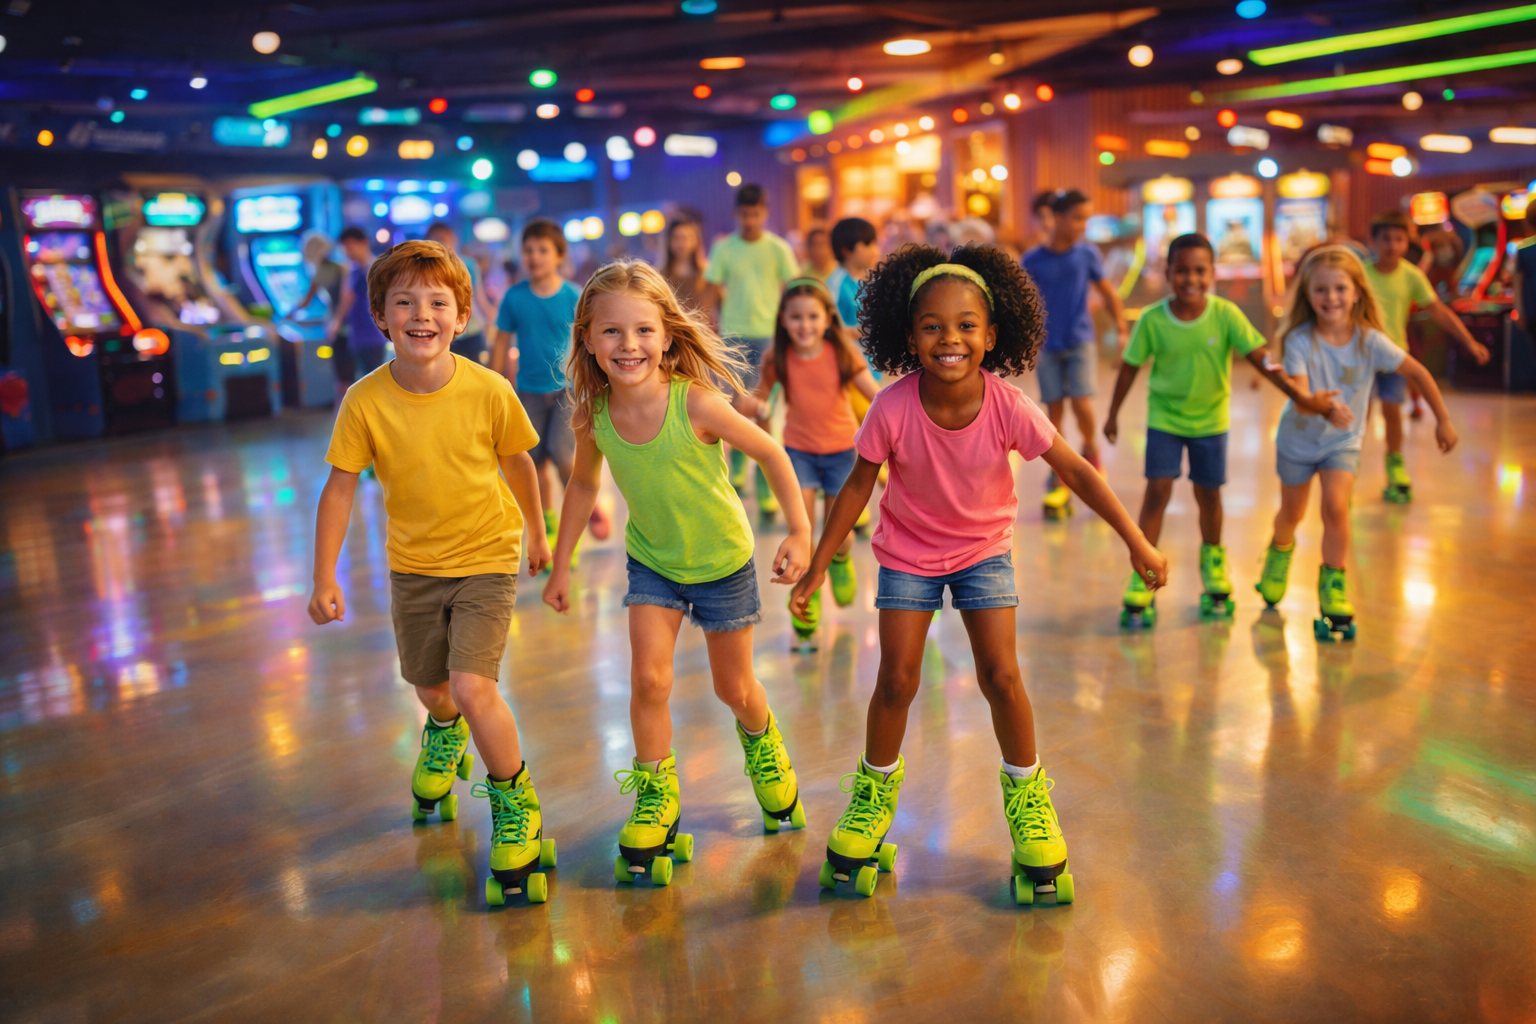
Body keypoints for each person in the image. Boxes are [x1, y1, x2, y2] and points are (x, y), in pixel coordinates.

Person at [790, 244, 1165, 901]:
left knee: (1001, 675)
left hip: (983, 551)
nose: (950, 338)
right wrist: (820, 564)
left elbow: (1075, 469)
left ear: (993, 335)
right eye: (931, 326)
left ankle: (1029, 800)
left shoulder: (1007, 405)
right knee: (897, 678)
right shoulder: (892, 405)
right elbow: (856, 487)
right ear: (908, 337)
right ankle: (873, 797)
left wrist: (1135, 539)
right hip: (907, 553)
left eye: (967, 325)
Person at [542, 260, 813, 884]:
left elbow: (770, 452)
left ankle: (765, 751)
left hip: (721, 562)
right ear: (587, 338)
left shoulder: (697, 402)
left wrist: (800, 530)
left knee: (735, 690)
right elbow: (583, 485)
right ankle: (657, 797)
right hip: (654, 562)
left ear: (667, 336)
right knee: (648, 682)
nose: (628, 345)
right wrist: (563, 564)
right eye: (611, 332)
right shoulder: (594, 414)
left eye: (642, 331)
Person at [308, 240, 556, 905]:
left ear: (463, 314)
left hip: (486, 557)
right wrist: (324, 575)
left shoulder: (489, 390)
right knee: (433, 692)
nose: (423, 315)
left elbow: (521, 464)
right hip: (414, 567)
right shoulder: (365, 401)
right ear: (382, 318)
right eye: (405, 303)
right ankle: (441, 736)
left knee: (475, 688)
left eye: (438, 302)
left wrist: (537, 531)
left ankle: (514, 803)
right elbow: (340, 488)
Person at [1103, 234, 1344, 625]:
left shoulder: (1226, 314)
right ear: (1168, 273)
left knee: (1209, 495)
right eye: (1182, 270)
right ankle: (1143, 568)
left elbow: (1263, 360)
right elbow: (1130, 368)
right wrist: (1113, 414)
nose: (1190, 279)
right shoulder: (1151, 319)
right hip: (1164, 419)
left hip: (1210, 423)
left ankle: (1213, 560)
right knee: (1157, 493)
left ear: (1213, 273)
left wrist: (1300, 396)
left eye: (1200, 270)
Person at [1255, 245, 1460, 640]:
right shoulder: (1300, 339)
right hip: (1298, 441)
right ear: (1308, 295)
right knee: (1292, 514)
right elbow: (1299, 394)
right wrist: (1323, 408)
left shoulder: (1370, 341)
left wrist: (1444, 420)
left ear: (1356, 293)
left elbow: (1417, 372)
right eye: (1321, 290)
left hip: (1342, 442)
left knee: (1335, 507)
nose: (1330, 298)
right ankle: (1279, 554)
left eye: (1339, 289)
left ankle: (1333, 583)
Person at [736, 278, 880, 646]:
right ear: (783, 319)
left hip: (843, 453)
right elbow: (757, 398)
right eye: (796, 317)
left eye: (813, 316)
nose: (805, 325)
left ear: (828, 318)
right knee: (802, 534)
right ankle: (805, 597)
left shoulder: (843, 353)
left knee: (839, 537)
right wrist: (754, 406)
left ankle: (841, 560)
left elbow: (875, 396)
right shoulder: (777, 357)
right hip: (797, 453)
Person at [489, 219, 612, 551]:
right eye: (528, 250)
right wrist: (495, 382)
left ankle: (586, 506)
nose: (534, 257)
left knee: (562, 455)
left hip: (566, 391)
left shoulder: (574, 295)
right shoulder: (514, 298)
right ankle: (550, 529)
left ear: (559, 255)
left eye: (543, 250)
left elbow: (590, 339)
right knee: (535, 461)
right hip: (527, 391)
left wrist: (598, 380)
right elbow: (501, 340)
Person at [1363, 210, 1488, 503]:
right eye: (1385, 239)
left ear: (1408, 243)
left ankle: (1395, 468)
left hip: (1395, 356)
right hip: (1360, 358)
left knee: (1392, 413)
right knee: (1359, 417)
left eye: (1398, 239)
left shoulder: (1411, 275)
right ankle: (1347, 470)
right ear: (1374, 241)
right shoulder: (1361, 273)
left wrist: (1468, 341)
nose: (1392, 245)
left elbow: (1438, 311)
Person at [1021, 189, 1128, 512]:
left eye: (1087, 218)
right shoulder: (1032, 260)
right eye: (1078, 218)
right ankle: (1059, 473)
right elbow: (1023, 303)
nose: (1083, 225)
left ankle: (1091, 451)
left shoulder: (1087, 254)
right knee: (1053, 411)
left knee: (1081, 402)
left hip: (1080, 340)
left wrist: (1121, 328)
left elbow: (1108, 292)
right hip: (1047, 345)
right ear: (1058, 217)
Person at [705, 183, 800, 515]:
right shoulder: (724, 249)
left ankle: (764, 488)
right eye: (744, 214)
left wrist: (790, 327)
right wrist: (711, 329)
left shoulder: (777, 248)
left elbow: (792, 288)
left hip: (770, 337)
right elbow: (712, 288)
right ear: (736, 214)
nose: (750, 220)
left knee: (764, 411)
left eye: (755, 214)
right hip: (733, 339)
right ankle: (744, 468)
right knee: (736, 409)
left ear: (764, 213)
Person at [426, 221, 494, 365]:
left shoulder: (468, 264)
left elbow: (478, 298)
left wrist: (492, 318)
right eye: (436, 239)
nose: (441, 243)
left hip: (471, 331)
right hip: (441, 334)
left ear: (453, 240)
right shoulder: (425, 270)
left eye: (444, 239)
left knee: (475, 376)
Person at [329, 227, 391, 379]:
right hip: (357, 336)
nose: (347, 251)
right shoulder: (353, 271)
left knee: (376, 381)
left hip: (374, 335)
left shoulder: (376, 268)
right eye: (344, 247)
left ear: (363, 243)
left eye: (350, 246)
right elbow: (347, 299)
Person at [295, 232, 350, 400]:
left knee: (343, 374)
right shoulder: (339, 266)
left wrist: (284, 317)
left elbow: (306, 302)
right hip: (348, 325)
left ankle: (343, 411)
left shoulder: (324, 270)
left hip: (340, 326)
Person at [825, 217, 880, 342]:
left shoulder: (872, 281)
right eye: (868, 244)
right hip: (849, 357)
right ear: (846, 250)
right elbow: (830, 327)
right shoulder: (834, 284)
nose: (875, 250)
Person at [660, 216, 719, 326]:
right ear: (668, 241)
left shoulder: (708, 272)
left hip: (703, 336)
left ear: (696, 240)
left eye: (686, 238)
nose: (681, 244)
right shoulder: (659, 275)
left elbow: (721, 305)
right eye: (676, 238)